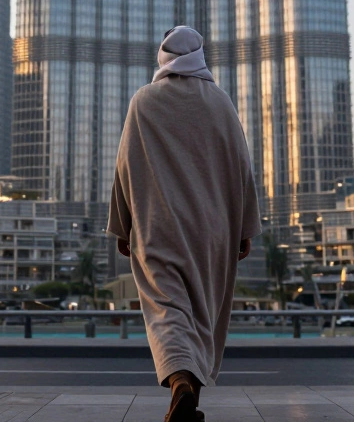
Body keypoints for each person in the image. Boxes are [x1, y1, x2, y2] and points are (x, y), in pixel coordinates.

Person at [107, 26, 263, 422]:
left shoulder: (144, 101)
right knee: (201, 310)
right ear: (200, 55)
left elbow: (125, 167)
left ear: (162, 55)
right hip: (212, 231)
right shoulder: (220, 102)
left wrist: (123, 225)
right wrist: (244, 227)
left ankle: (180, 381)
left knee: (167, 307)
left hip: (157, 226)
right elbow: (241, 167)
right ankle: (186, 384)